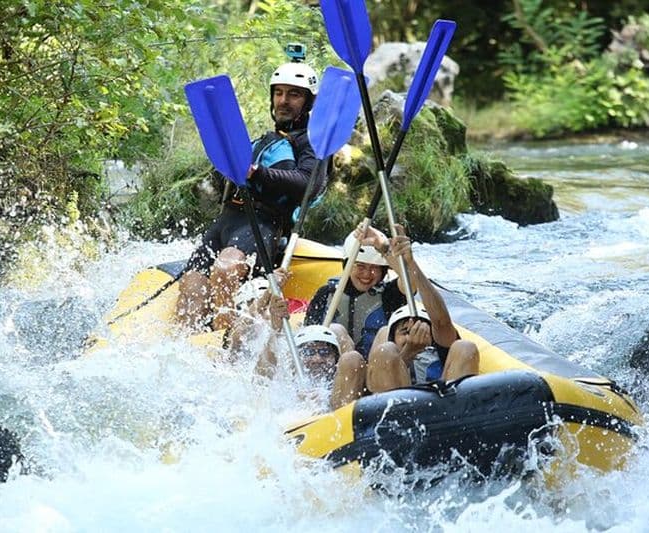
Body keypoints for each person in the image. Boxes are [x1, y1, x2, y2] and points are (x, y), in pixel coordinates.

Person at [177, 59, 325, 332]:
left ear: (308, 102)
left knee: (225, 269)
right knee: (192, 281)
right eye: (279, 92)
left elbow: (307, 184)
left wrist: (255, 173)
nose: (284, 100)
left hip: (264, 223)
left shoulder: (311, 142)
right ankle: (188, 347)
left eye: (294, 94)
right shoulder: (265, 139)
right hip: (228, 219)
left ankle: (224, 345)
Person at [304, 223, 424, 359]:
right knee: (335, 330)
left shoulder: (389, 294)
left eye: (375, 268)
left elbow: (412, 283)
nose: (367, 274)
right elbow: (308, 336)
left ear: (383, 271)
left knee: (385, 332)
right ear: (348, 265)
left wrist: (388, 250)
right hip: (341, 372)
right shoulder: (326, 294)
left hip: (378, 369)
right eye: (360, 266)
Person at [365, 254, 480, 391]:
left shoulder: (440, 352)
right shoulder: (387, 355)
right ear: (393, 338)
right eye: (406, 332)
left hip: (445, 407)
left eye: (422, 330)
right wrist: (409, 352)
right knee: (385, 352)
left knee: (465, 347)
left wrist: (411, 262)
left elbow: (441, 321)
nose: (413, 336)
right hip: (397, 408)